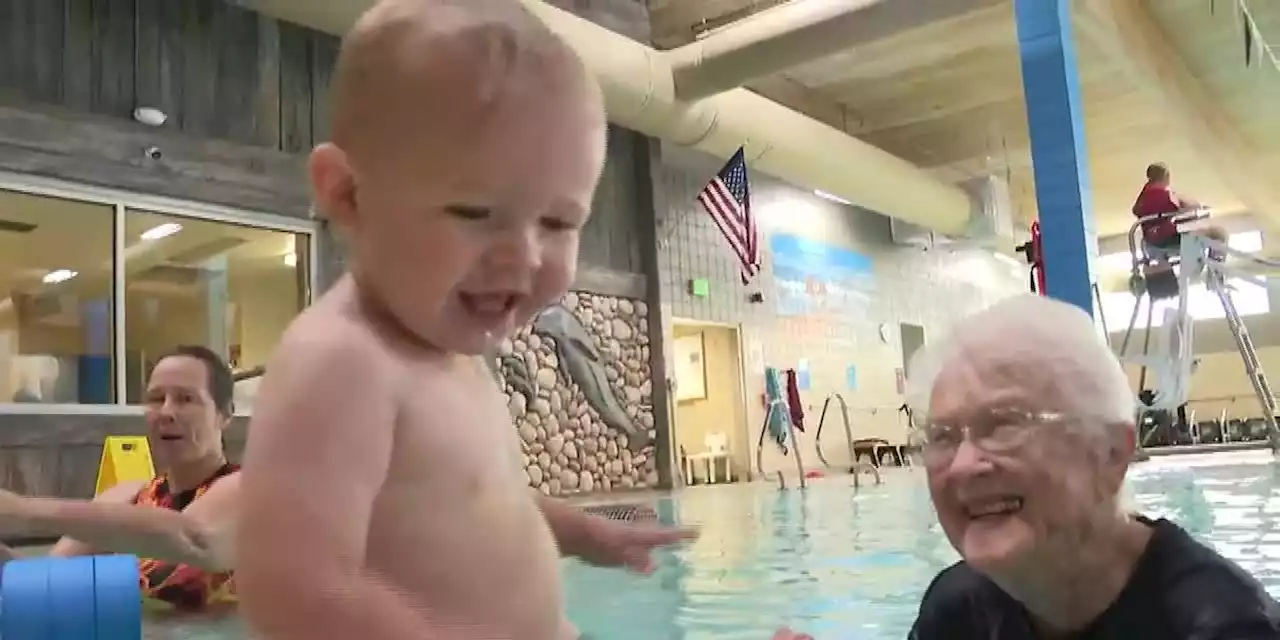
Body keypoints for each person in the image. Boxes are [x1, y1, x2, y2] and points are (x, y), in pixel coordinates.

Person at [232, 2, 712, 640]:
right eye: (474, 211)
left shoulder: (446, 354)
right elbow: (293, 589)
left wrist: (580, 532)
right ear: (348, 194)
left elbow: (474, 504)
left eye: (559, 222)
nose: (525, 255)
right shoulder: (342, 361)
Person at [906, 295, 1280, 639]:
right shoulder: (956, 612)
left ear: (1110, 453)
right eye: (943, 436)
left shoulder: (1223, 626)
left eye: (1004, 425)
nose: (962, 465)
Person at [0, 345, 240, 613]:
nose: (166, 412)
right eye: (156, 398)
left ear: (225, 414)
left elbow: (193, 537)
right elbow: (42, 581)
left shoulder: (250, 490)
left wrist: (19, 508)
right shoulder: (126, 498)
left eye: (186, 399)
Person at [1133, 163, 1228, 261]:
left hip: (1150, 239)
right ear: (1166, 176)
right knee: (1218, 233)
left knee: (1200, 228)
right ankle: (1215, 269)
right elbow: (1183, 210)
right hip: (1167, 239)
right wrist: (1197, 207)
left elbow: (1136, 210)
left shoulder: (1145, 193)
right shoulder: (1164, 195)